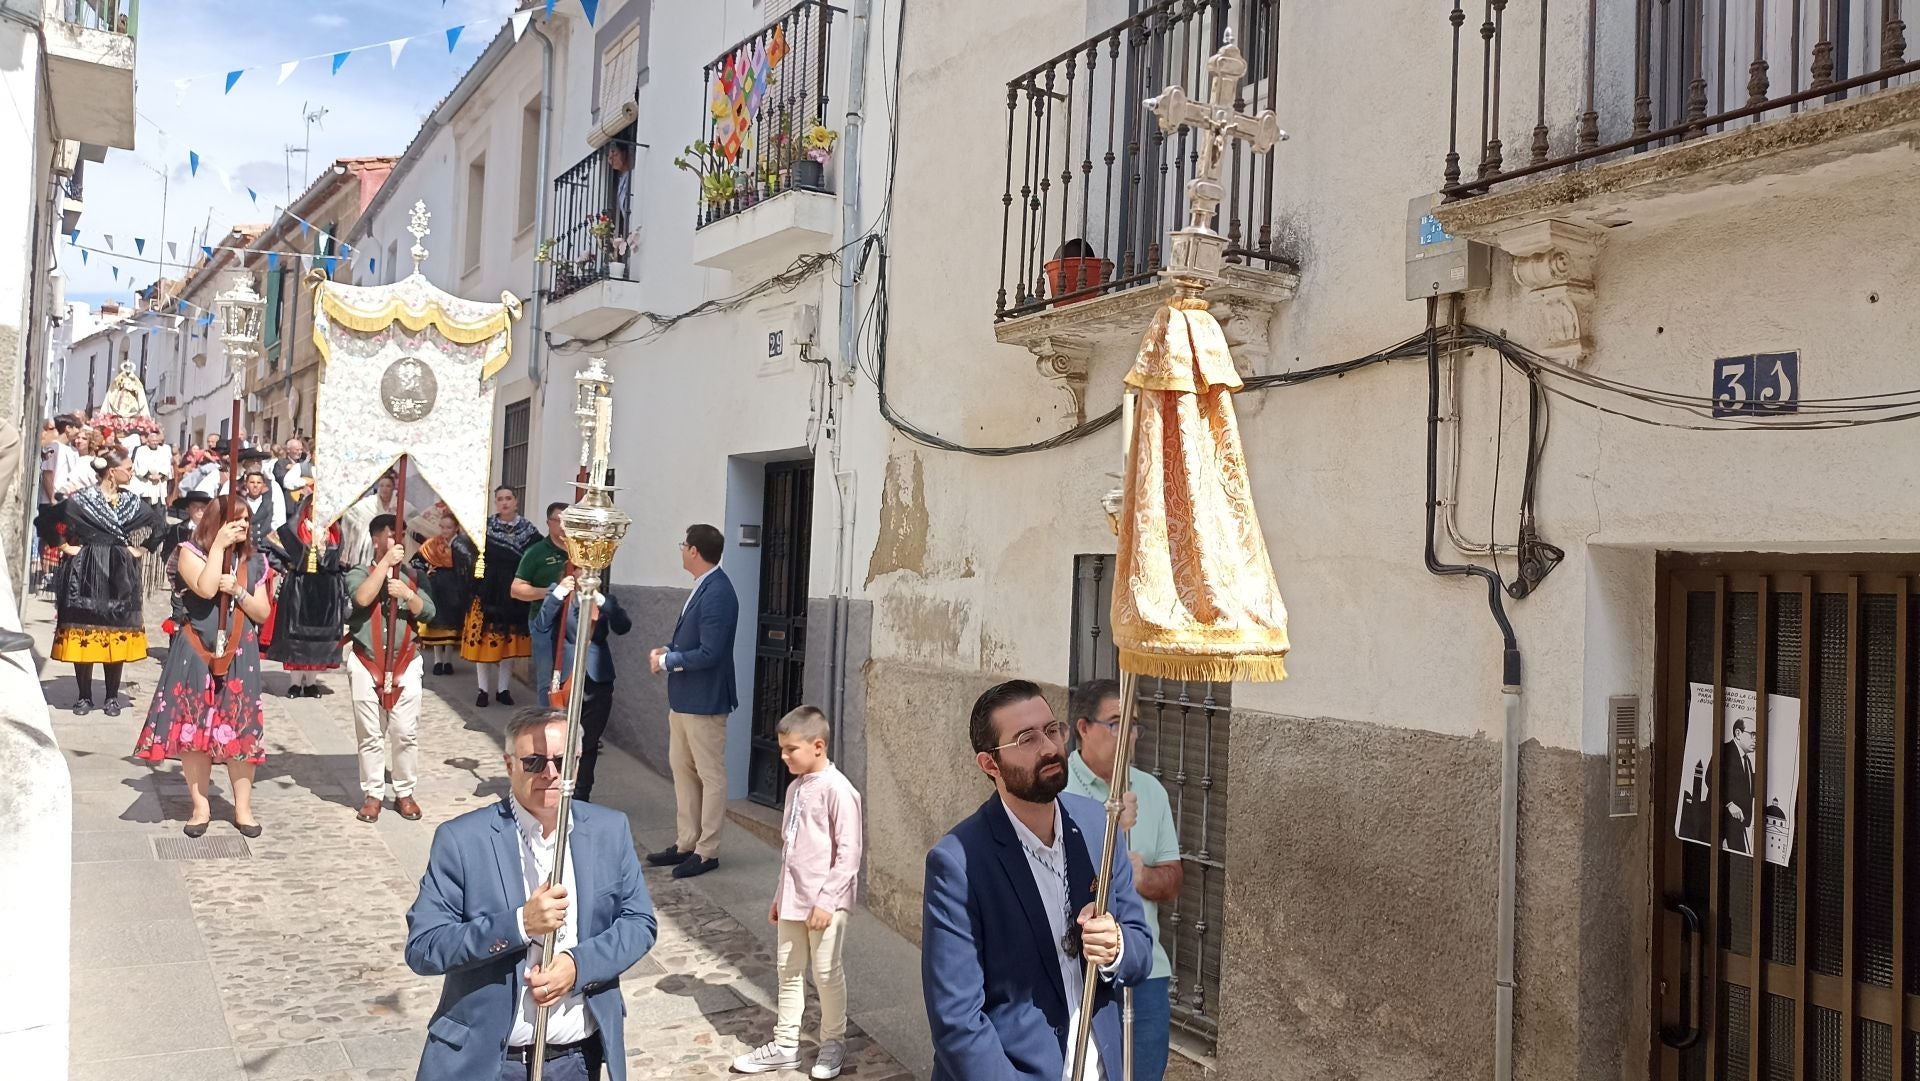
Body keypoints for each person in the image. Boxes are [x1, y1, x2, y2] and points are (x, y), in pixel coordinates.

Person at [405, 707, 658, 1081]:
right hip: (488, 1064)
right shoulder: (462, 840)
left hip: (576, 1060)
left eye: (560, 761)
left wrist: (577, 966)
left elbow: (639, 924)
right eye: (534, 761)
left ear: (576, 763)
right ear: (509, 765)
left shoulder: (610, 829)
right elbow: (424, 948)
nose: (549, 774)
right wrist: (519, 924)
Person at [922, 679, 1152, 1081]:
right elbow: (957, 1022)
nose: (1048, 747)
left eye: (1050, 730)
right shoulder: (957, 863)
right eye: (1025, 739)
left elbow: (1140, 951)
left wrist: (1116, 947)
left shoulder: (1098, 824)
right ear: (989, 764)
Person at [1062, 680, 1184, 1081]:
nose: (1129, 736)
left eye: (1134, 725)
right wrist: (1110, 829)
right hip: (1081, 970)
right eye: (1116, 723)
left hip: (1144, 969)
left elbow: (1172, 881)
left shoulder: (1150, 790)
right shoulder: (1056, 788)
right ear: (1083, 728)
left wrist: (1140, 873)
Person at [731, 706, 862, 1079]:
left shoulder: (839, 791)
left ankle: (833, 1041)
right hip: (792, 899)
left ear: (817, 746)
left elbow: (849, 853)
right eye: (782, 749)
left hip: (825, 904)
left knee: (825, 972)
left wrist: (827, 900)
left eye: (791, 749)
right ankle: (786, 1045)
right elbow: (790, 851)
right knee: (788, 971)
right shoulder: (795, 787)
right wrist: (779, 895)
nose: (784, 756)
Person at [135, 499, 272, 837]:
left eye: (245, 521)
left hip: (241, 651)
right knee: (193, 731)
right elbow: (206, 587)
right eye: (234, 520)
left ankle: (243, 809)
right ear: (217, 521)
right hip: (195, 650)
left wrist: (238, 590)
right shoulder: (188, 553)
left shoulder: (256, 561)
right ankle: (201, 807)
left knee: (240, 730)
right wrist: (219, 549)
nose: (241, 526)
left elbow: (263, 613)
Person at [644, 523, 741, 879]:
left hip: (705, 700)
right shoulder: (704, 586)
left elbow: (711, 652)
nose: (681, 549)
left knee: (710, 775)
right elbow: (695, 641)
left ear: (695, 551)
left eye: (683, 545)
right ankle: (687, 842)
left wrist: (669, 661)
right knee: (682, 771)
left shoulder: (718, 591)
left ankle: (707, 850)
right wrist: (670, 651)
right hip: (685, 699)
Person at [50, 447, 164, 716]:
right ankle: (84, 696)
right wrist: (66, 547)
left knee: (115, 628)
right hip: (85, 569)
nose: (132, 471)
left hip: (119, 572)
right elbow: (52, 521)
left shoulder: (132, 502)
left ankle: (112, 696)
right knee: (85, 629)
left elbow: (159, 526)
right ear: (112, 471)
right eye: (128, 467)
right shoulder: (84, 499)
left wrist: (142, 548)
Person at [345, 514, 435, 824]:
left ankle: (404, 791)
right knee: (370, 732)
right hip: (367, 659)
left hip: (405, 660)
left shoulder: (412, 575)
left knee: (404, 731)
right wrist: (385, 566)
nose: (399, 542)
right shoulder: (359, 572)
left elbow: (430, 611)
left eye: (401, 536)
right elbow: (362, 597)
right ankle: (372, 793)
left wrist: (407, 594)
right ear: (376, 539)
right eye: (391, 535)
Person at [532, 573, 631, 805]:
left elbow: (623, 626)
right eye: (580, 568)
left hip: (597, 678)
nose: (584, 573)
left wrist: (602, 602)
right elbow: (541, 625)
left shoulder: (606, 598)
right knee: (563, 740)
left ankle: (581, 797)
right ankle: (558, 788)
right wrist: (556, 596)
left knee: (588, 743)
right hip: (567, 677)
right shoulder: (561, 594)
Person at [265, 486, 348, 698]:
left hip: (326, 589)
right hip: (300, 587)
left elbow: (340, 559)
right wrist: (287, 568)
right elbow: (272, 549)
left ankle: (311, 683)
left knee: (319, 640)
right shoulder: (293, 529)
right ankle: (295, 683)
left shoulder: (334, 531)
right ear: (306, 508)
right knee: (296, 637)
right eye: (314, 507)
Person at [463, 486, 539, 706]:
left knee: (509, 642)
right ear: (495, 503)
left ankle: (503, 690)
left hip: (514, 589)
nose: (504, 503)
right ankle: (482, 690)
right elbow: (466, 551)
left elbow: (537, 555)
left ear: (516, 501)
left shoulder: (528, 530)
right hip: (487, 591)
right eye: (500, 499)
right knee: (484, 641)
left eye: (508, 498)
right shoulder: (484, 528)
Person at [512, 501, 572, 703]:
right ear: (548, 523)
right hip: (543, 622)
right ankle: (545, 724)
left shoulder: (578, 551)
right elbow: (516, 589)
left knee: (570, 678)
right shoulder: (536, 552)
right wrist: (551, 593)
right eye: (559, 520)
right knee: (547, 680)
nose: (564, 525)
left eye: (568, 521)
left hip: (572, 622)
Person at [412, 508, 473, 675]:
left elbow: (469, 565)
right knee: (437, 622)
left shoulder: (462, 544)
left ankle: (448, 660)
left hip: (455, 587)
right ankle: (438, 660)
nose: (445, 531)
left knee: (452, 625)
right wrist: (425, 572)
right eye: (443, 527)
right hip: (437, 586)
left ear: (456, 528)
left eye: (449, 527)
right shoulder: (432, 544)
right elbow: (417, 560)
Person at [1722, 719, 1757, 855]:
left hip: (1738, 823)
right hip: (1723, 822)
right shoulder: (1725, 750)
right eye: (1752, 734)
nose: (1755, 740)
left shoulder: (1746, 760)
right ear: (1738, 733)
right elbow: (1710, 778)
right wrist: (1730, 804)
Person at [39, 413, 81, 506]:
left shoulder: (73, 450)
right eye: (76, 427)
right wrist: (52, 499)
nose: (78, 431)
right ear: (68, 428)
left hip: (66, 501)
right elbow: (47, 473)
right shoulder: (52, 447)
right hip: (50, 502)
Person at [129, 428, 174, 504]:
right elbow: (138, 466)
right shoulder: (141, 450)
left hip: (159, 484)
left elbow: (166, 466)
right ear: (148, 442)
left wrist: (160, 475)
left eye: (156, 441)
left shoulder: (163, 451)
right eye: (153, 441)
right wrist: (149, 476)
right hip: (146, 483)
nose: (155, 443)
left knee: (158, 510)